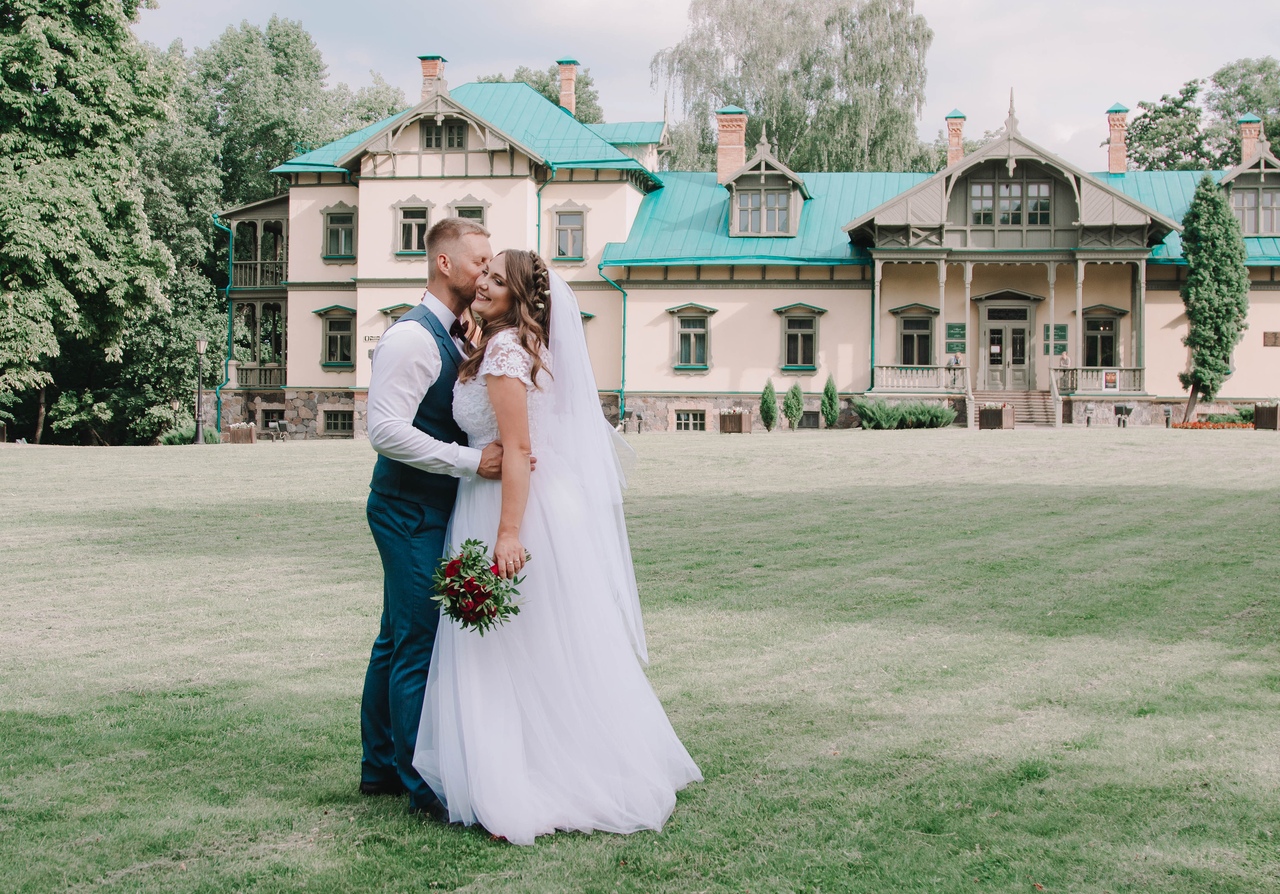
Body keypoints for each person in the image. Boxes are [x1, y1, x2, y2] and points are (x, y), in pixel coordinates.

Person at [413, 250, 702, 844]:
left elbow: (519, 449)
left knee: (508, 647)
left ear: (520, 298)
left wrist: (508, 533)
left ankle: (523, 779)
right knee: (541, 642)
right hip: (531, 501)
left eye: (498, 281)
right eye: (485, 274)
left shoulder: (503, 351)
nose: (483, 284)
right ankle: (541, 763)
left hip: (508, 506)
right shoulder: (513, 344)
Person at [361, 217, 505, 819]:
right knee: (417, 641)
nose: (486, 273)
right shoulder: (412, 338)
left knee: (395, 637)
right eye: (479, 263)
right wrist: (472, 462)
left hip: (428, 507)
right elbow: (385, 431)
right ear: (444, 263)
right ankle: (421, 787)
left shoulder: (455, 332)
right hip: (407, 509)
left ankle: (380, 770)